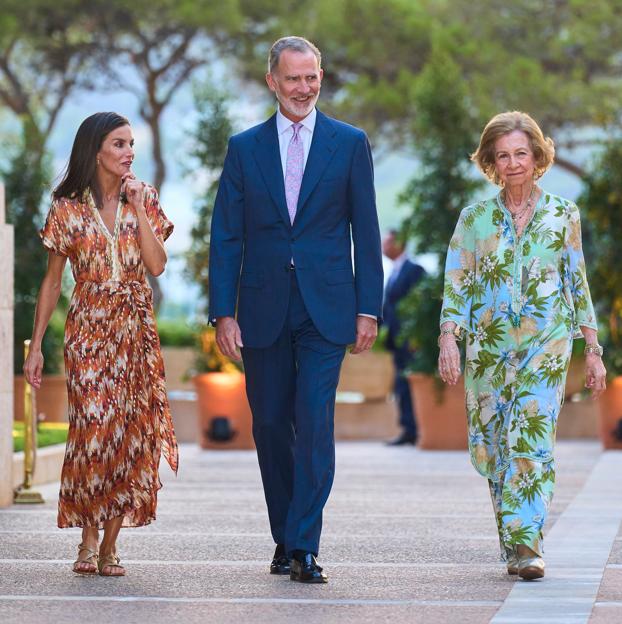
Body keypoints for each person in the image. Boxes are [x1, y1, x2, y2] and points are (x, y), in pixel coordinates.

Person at [209, 36, 383, 583]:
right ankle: (284, 533)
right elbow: (226, 237)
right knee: (268, 426)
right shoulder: (244, 147)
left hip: (327, 308)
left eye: (312, 77)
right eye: (293, 78)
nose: (303, 88)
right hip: (261, 308)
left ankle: (304, 543)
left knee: (313, 421)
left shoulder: (349, 143)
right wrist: (222, 311)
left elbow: (367, 229)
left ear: (321, 78)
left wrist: (368, 308)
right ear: (272, 82)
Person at [438, 111, 606, 581]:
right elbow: (457, 282)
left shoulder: (562, 214)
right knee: (496, 447)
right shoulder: (474, 219)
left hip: (546, 345)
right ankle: (514, 542)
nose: (513, 163)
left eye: (521, 154)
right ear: (491, 161)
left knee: (530, 440)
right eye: (503, 155)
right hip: (488, 352)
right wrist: (448, 338)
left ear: (537, 157)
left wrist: (592, 349)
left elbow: (578, 282)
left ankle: (528, 544)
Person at [23, 112, 178, 577]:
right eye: (119, 144)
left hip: (134, 329)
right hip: (88, 328)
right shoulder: (66, 207)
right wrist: (34, 349)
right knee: (93, 428)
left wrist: (136, 205)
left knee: (130, 434)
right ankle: (87, 537)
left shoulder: (144, 197)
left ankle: (110, 545)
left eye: (131, 144)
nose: (129, 152)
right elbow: (52, 283)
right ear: (95, 151)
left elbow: (157, 265)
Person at [382, 230, 425, 445]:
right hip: (396, 340)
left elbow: (419, 307)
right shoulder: (393, 272)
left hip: (410, 341)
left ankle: (413, 429)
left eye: (388, 241)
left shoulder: (414, 270)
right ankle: (407, 428)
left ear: (400, 243)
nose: (384, 245)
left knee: (407, 383)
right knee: (400, 384)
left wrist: (415, 338)